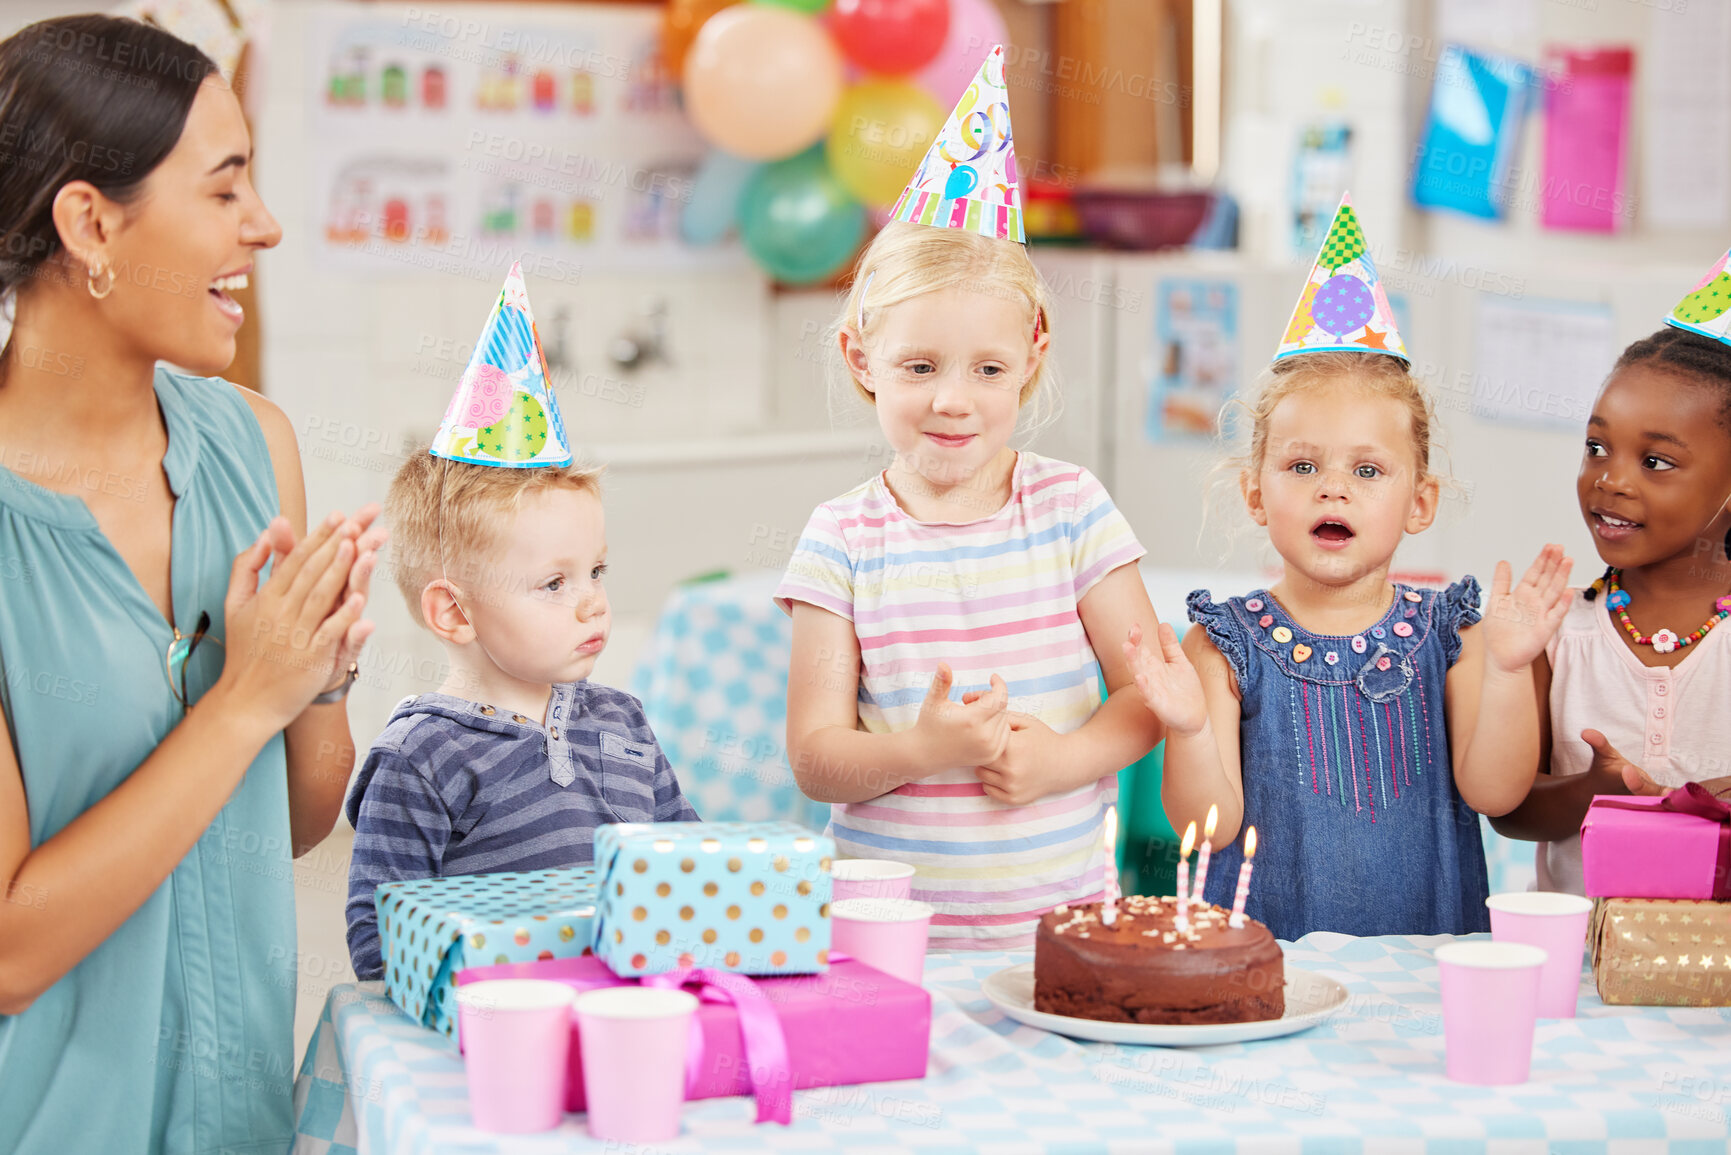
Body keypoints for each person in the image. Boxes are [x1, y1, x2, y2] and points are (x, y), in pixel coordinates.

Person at [0, 17, 384, 1153]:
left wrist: (319, 674)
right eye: (225, 189)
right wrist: (247, 697)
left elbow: (293, 822)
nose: (263, 225)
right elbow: (11, 948)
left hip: (239, 1116)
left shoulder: (255, 447)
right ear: (90, 224)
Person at [777, 48, 1164, 950]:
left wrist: (1065, 757)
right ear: (858, 357)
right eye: (919, 367)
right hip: (883, 943)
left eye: (986, 368)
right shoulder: (839, 538)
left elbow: (1146, 694)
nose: (952, 399)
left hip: (1061, 934)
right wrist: (925, 750)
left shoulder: (1073, 509)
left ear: (1031, 353)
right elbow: (815, 757)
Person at [1124, 196, 1572, 940]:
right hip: (1272, 978)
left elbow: (1494, 790)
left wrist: (1506, 670)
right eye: (1302, 464)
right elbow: (1207, 826)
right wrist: (1188, 727)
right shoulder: (1221, 646)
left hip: (1425, 980)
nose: (1332, 487)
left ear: (1420, 501)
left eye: (1368, 470)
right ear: (1254, 493)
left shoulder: (1453, 634)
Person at [344, 267, 696, 981]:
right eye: (553, 583)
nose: (593, 601)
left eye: (595, 571)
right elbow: (378, 944)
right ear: (453, 611)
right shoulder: (421, 758)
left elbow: (684, 871)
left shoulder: (623, 722)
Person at [1489, 303, 1731, 890]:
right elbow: (1512, 808)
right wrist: (1592, 790)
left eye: (1655, 462)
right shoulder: (1555, 630)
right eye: (1598, 447)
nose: (1610, 480)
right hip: (1579, 966)